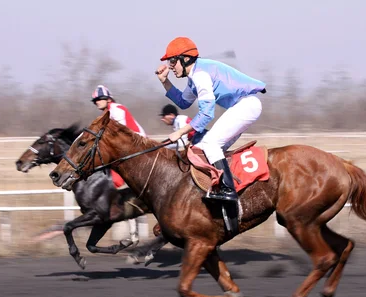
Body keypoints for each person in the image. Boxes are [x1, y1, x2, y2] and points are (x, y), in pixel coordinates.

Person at [155, 37, 266, 204]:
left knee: (210, 145)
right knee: (204, 148)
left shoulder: (200, 75)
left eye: (173, 61)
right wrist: (165, 81)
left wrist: (179, 132)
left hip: (246, 105)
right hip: (243, 106)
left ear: (185, 59)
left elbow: (206, 114)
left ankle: (228, 191)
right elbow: (183, 102)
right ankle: (226, 186)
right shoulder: (194, 77)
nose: (171, 66)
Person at [91, 84, 148, 243]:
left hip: (137, 146)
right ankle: (132, 226)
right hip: (128, 148)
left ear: (108, 99)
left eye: (99, 99)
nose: (96, 102)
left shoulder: (116, 109)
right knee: (117, 183)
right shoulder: (107, 113)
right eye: (95, 100)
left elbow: (120, 134)